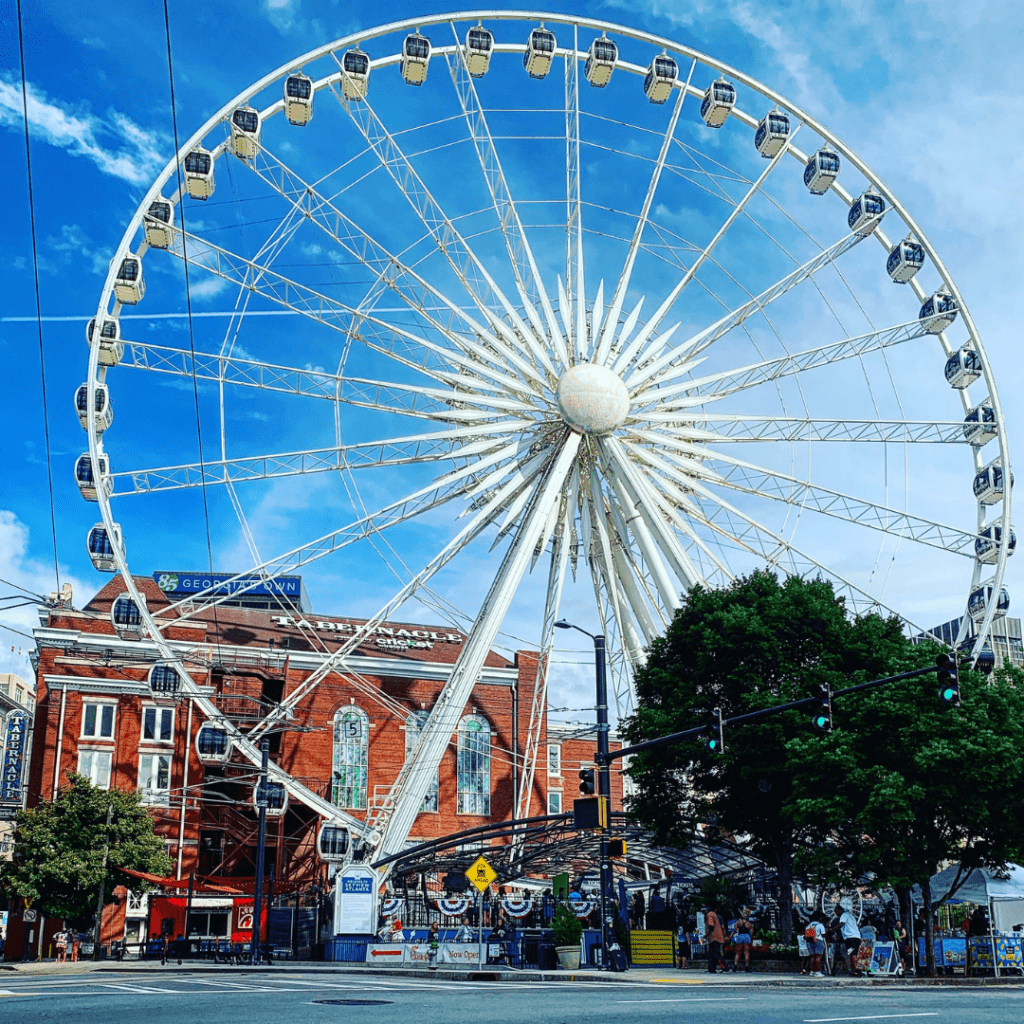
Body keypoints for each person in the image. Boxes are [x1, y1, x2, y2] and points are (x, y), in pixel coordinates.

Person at [838, 904, 864, 977]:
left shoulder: (844, 915)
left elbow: (842, 923)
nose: (836, 914)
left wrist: (833, 928)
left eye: (836, 912)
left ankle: (856, 969)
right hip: (856, 937)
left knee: (853, 954)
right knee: (853, 954)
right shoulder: (851, 916)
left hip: (850, 937)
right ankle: (854, 970)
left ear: (839, 911)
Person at [703, 905, 728, 974]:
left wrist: (707, 934)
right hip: (718, 937)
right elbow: (722, 927)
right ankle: (712, 969)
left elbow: (711, 926)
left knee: (716, 953)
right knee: (712, 953)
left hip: (714, 937)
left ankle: (725, 967)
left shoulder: (710, 914)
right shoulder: (717, 916)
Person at [807, 913, 827, 977]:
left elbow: (808, 933)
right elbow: (823, 934)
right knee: (818, 956)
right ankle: (817, 971)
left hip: (811, 940)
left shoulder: (810, 925)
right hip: (818, 940)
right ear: (820, 918)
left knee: (813, 956)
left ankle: (812, 971)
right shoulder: (820, 925)